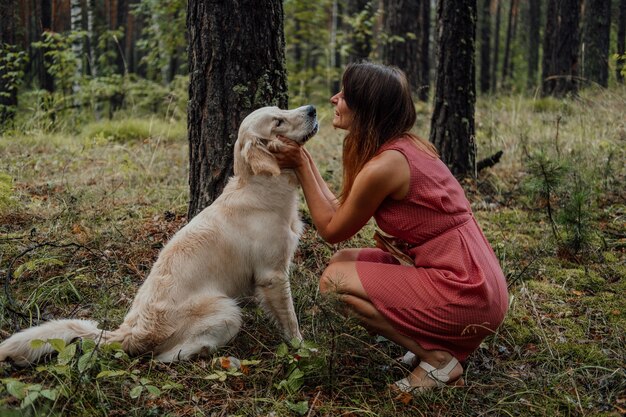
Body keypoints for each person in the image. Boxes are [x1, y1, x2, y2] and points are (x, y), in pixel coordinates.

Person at [271, 62, 509, 392]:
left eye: (345, 95)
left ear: (366, 108)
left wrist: (299, 161)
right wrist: (304, 160)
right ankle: (433, 346)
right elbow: (339, 212)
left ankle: (438, 361)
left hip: (467, 292)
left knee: (333, 283)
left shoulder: (385, 166)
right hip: (479, 282)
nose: (333, 99)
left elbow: (329, 229)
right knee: (343, 263)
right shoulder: (405, 147)